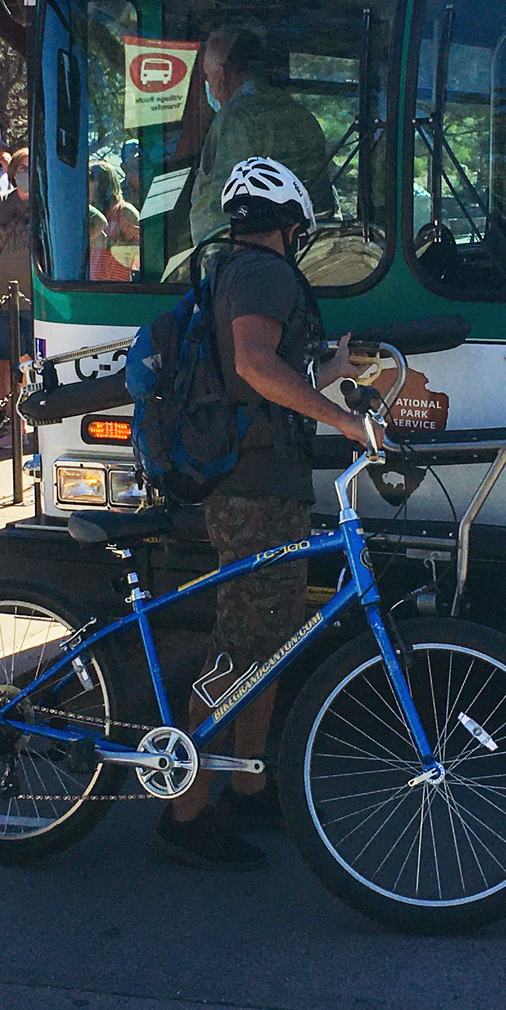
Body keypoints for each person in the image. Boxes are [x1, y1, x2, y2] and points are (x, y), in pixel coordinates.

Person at [156, 157, 367, 871]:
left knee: (270, 641)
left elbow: (258, 375)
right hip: (251, 490)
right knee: (242, 643)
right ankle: (186, 813)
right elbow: (251, 364)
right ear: (292, 223)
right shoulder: (264, 273)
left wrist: (328, 369)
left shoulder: (236, 270)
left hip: (263, 482)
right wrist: (342, 419)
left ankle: (249, 784)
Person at [185, 29, 334, 246]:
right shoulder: (298, 113)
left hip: (255, 253)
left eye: (208, 76)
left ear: (223, 75)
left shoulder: (236, 118)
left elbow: (224, 208)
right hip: (307, 247)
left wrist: (219, 257)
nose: (207, 85)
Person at [0, 147, 33, 437]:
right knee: (2, 360)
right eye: (22, 169)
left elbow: (94, 223)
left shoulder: (49, 204)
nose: (26, 174)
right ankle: (8, 420)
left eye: (32, 169)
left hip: (34, 298)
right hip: (2, 298)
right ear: (12, 172)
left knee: (27, 361)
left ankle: (28, 415)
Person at [87, 162, 140, 281]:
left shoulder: (124, 211)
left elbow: (145, 250)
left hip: (117, 289)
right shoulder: (93, 215)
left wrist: (110, 244)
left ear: (104, 183)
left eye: (90, 179)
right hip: (92, 288)